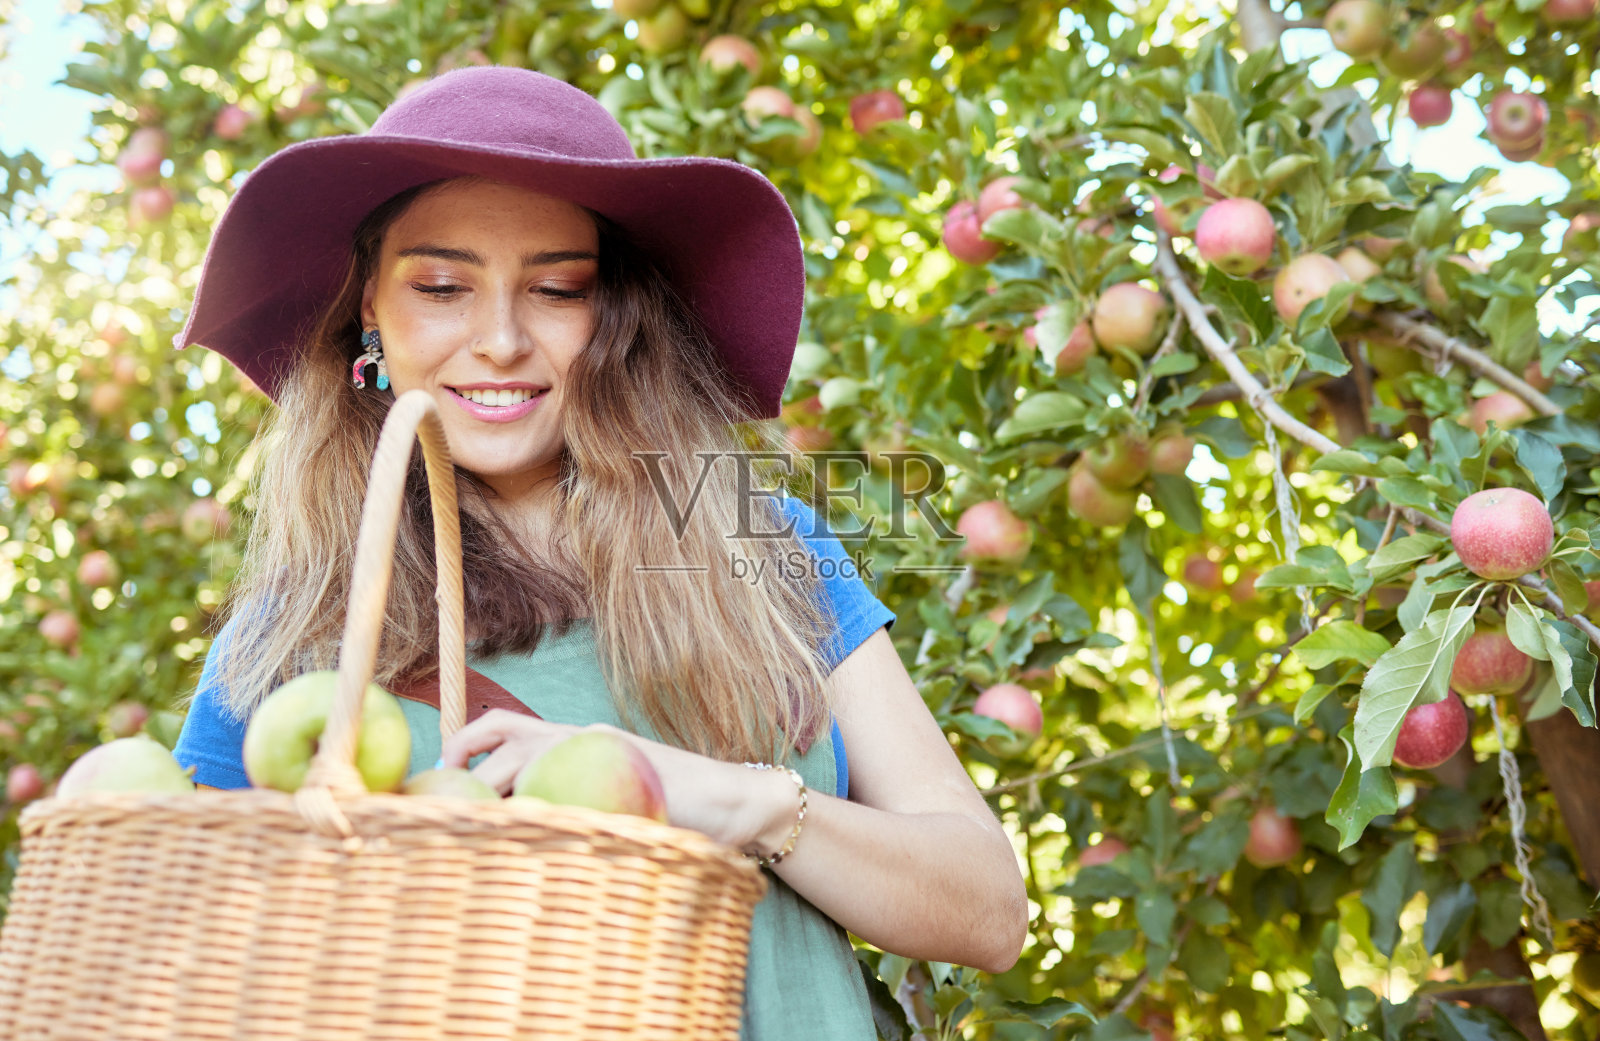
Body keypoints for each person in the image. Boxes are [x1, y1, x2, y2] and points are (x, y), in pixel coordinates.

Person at [172, 66, 1026, 1038]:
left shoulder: (759, 537)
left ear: (613, 315)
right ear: (371, 306)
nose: (498, 339)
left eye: (555, 288)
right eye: (442, 285)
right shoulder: (303, 627)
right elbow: (185, 962)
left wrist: (727, 799)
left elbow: (987, 907)